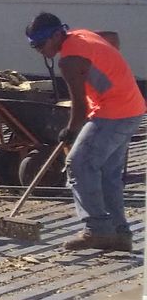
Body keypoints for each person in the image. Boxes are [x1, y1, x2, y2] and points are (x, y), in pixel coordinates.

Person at [26, 13, 144, 251]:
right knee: (108, 174)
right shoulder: (83, 35)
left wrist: (70, 131)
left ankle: (98, 230)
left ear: (58, 35)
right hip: (133, 108)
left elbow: (78, 105)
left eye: (41, 43)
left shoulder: (69, 60)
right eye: (34, 46)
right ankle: (120, 234)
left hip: (113, 113)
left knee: (78, 164)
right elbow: (112, 37)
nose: (39, 50)